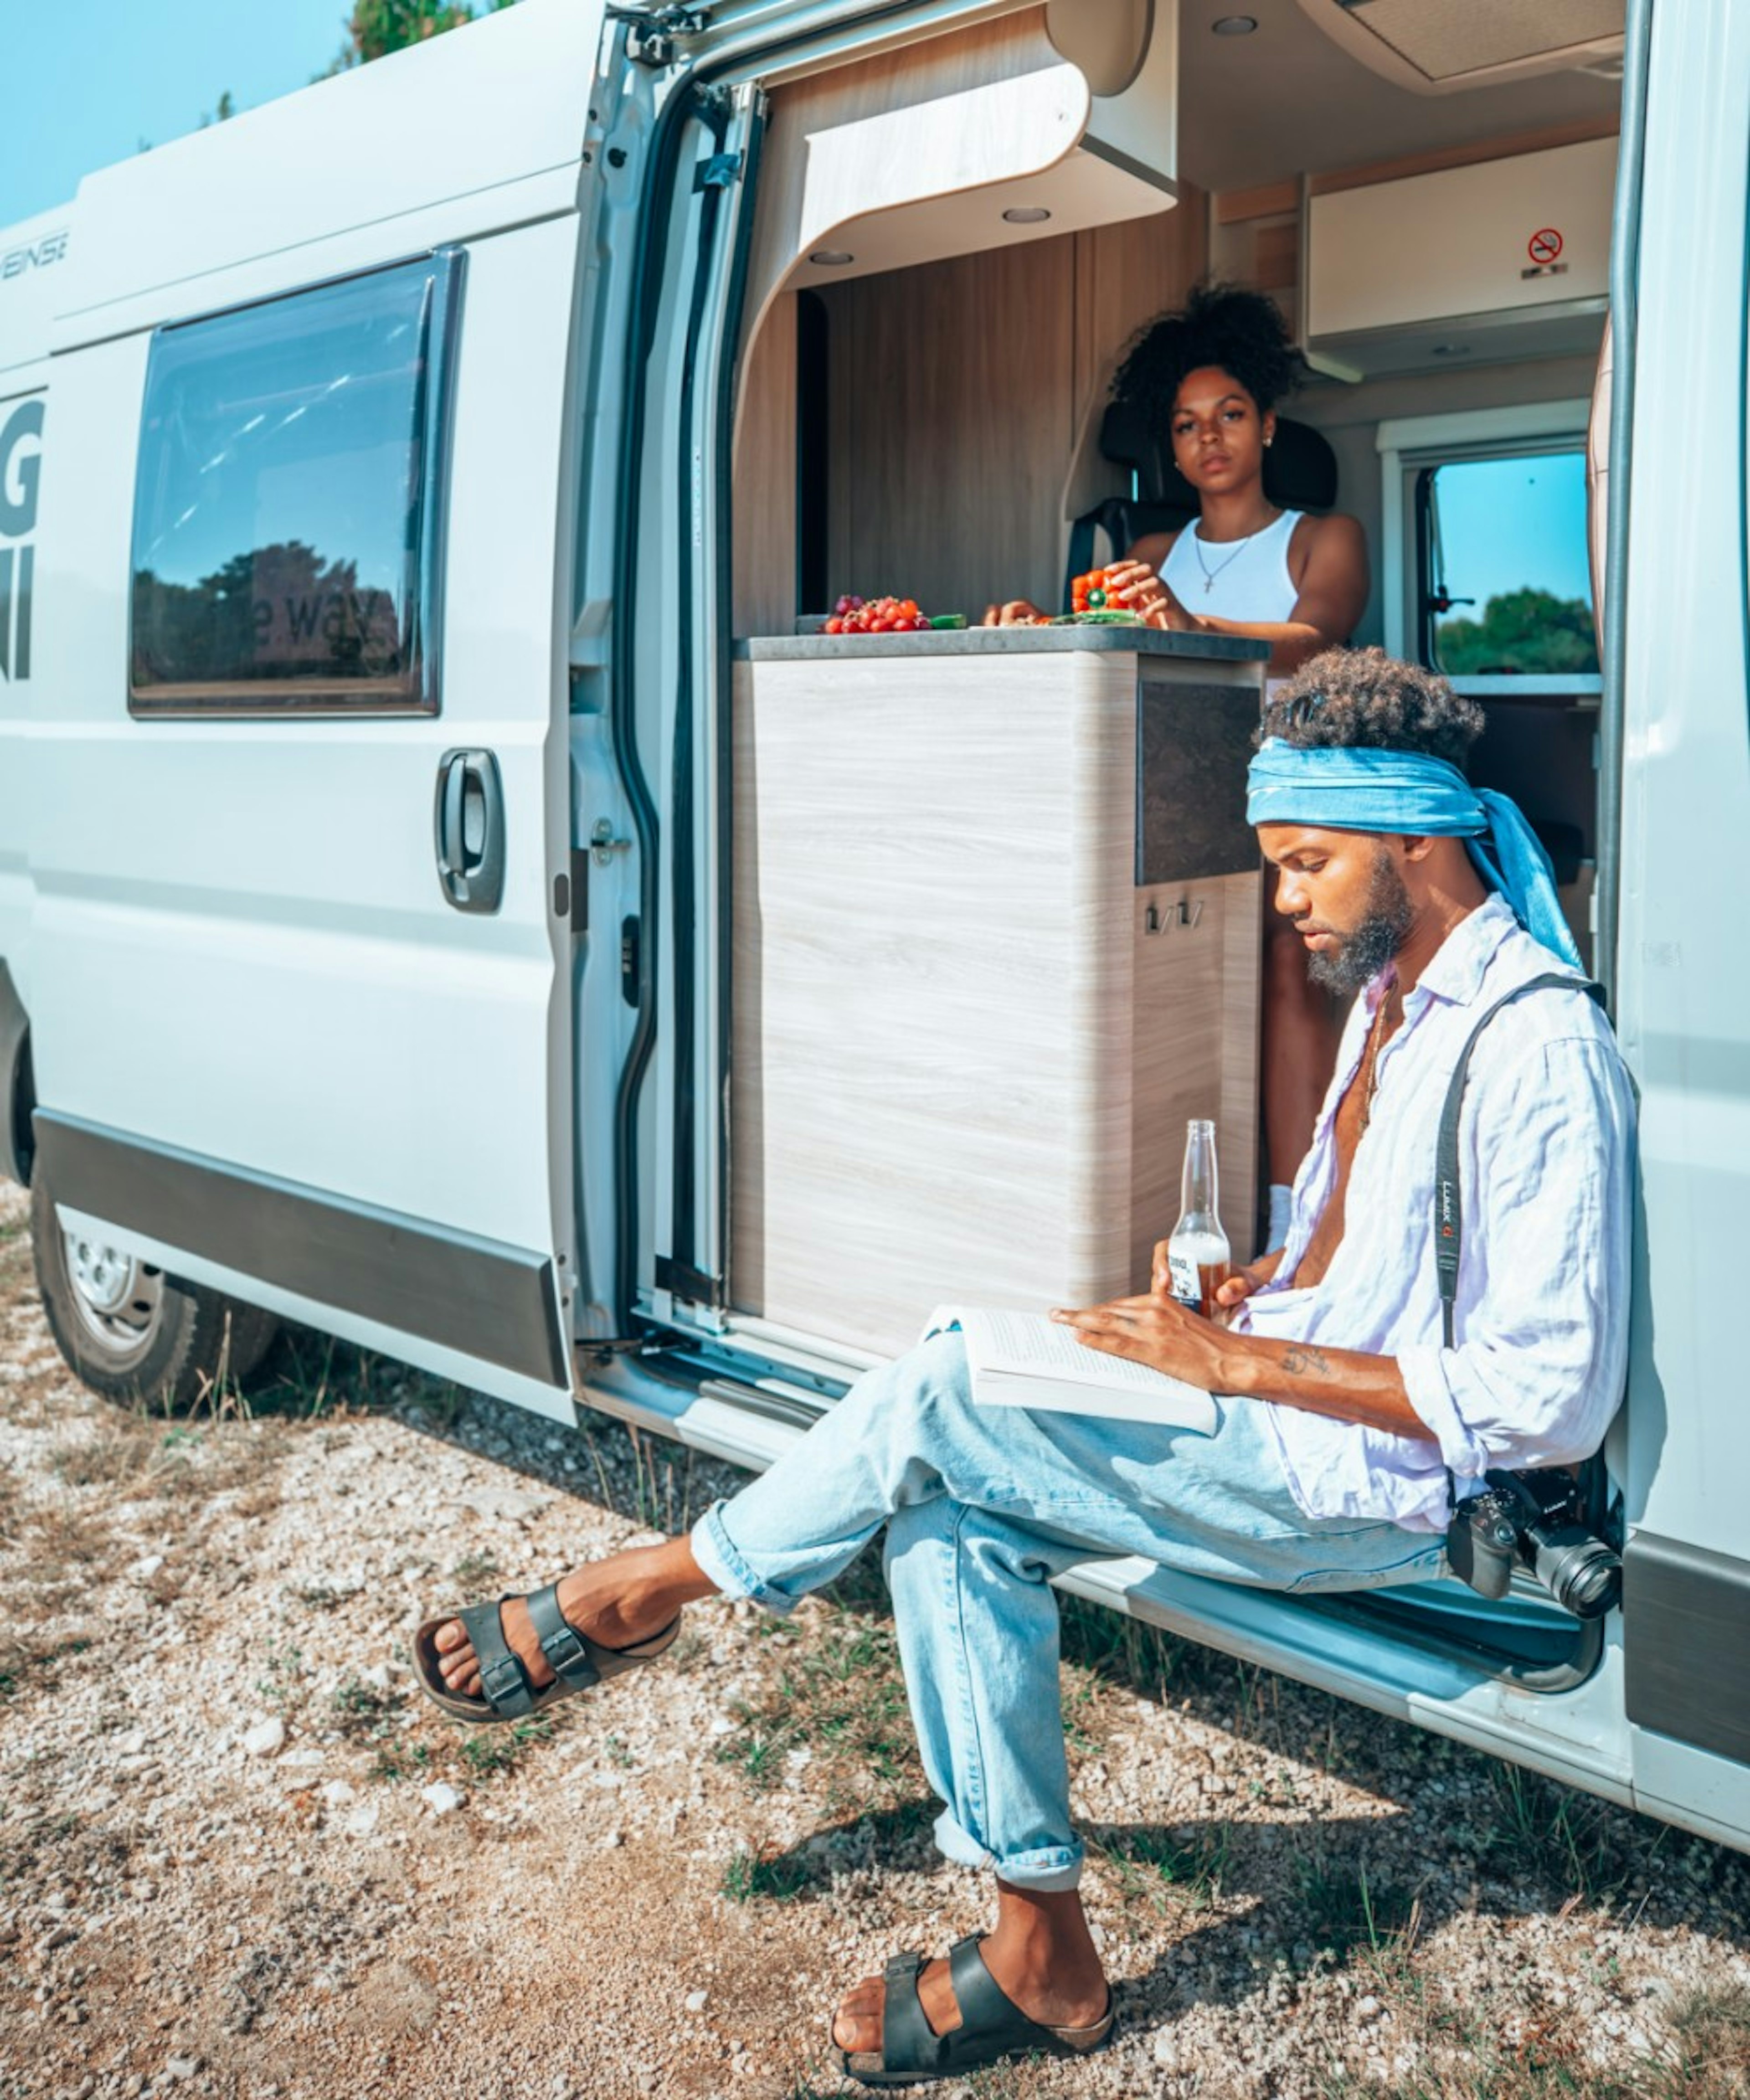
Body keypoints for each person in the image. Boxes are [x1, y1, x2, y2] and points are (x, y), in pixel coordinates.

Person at [415, 648, 1634, 2088]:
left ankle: (645, 1589)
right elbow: (1373, 1258)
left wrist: (1235, 1360)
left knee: (942, 1385)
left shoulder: (1541, 1046)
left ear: (1415, 841)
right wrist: (1257, 1284)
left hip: (1370, 1491)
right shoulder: (1391, 1001)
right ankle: (1040, 1943)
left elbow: (1554, 1392)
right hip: (1286, 1419)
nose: (1286, 900)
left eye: (1307, 864)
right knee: (951, 1515)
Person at [987, 284, 1371, 1251]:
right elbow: (1109, 640)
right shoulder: (1151, 548)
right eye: (1188, 424)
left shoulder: (1325, 537)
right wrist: (1043, 627)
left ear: (1268, 425)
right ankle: (1180, 1206)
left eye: (1231, 416)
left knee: (1290, 972)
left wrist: (1194, 626)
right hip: (1178, 788)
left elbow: (1316, 642)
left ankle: (1297, 1224)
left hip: (1291, 787)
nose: (1209, 439)